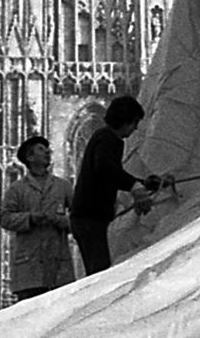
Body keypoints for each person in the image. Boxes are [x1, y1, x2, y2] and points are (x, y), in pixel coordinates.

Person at [67, 95, 169, 275]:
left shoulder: (105, 137)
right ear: (125, 120)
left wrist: (142, 183)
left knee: (99, 270)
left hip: (89, 217)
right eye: (134, 122)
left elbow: (110, 172)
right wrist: (134, 186)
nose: (136, 128)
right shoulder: (108, 138)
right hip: (90, 218)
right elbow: (105, 168)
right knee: (99, 273)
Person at [0, 135, 75, 302]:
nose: (47, 152)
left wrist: (63, 222)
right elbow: (4, 218)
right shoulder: (17, 189)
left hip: (58, 264)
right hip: (29, 267)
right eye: (41, 150)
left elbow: (80, 217)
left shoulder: (63, 186)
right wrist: (30, 218)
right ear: (30, 158)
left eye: (47, 150)